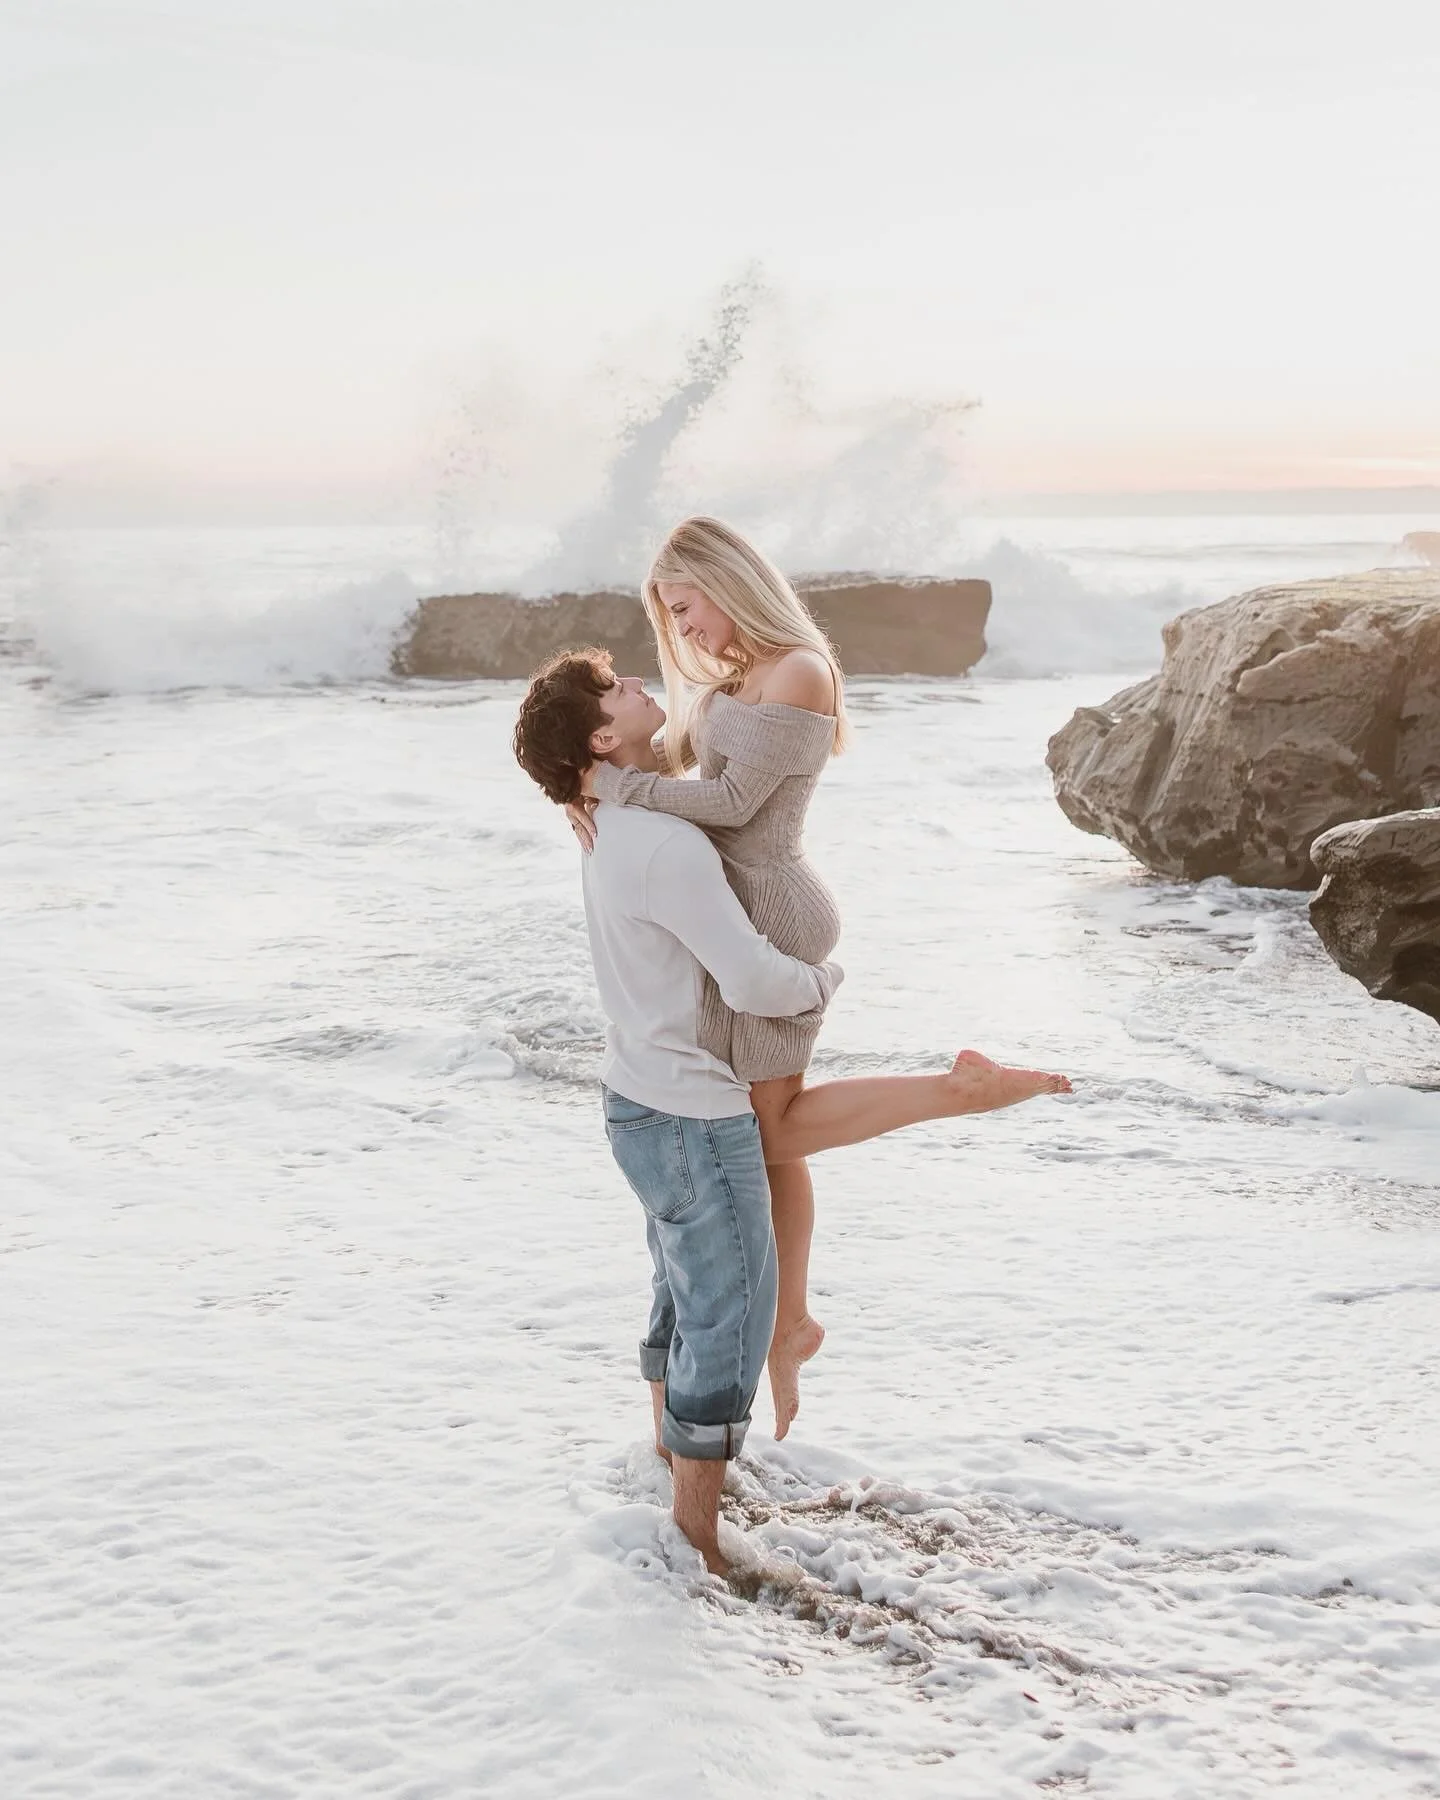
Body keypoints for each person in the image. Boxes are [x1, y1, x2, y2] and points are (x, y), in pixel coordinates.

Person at [514, 648, 1069, 1573]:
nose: (640, 683)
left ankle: (669, 1466)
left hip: (636, 1100)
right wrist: (824, 979)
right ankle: (699, 1539)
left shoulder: (611, 821)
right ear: (602, 741)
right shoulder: (665, 844)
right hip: (693, 1116)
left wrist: (590, 783)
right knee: (726, 1321)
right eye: (616, 690)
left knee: (681, 1297)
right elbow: (754, 982)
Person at [566, 516, 1066, 1437]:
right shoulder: (740, 673)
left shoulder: (799, 669)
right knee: (769, 1136)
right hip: (742, 908)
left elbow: (730, 804)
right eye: (671, 616)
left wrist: (618, 790)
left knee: (773, 1128)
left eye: (685, 606)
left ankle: (958, 1093)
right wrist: (580, 788)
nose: (683, 630)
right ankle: (791, 1323)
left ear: (726, 580)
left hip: (775, 911)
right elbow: (673, 769)